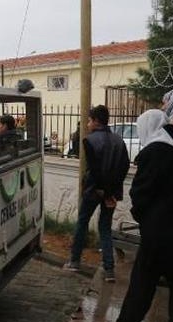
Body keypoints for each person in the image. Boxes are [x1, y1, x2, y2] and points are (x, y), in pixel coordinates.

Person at [95, 110, 173, 322]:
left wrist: (145, 220)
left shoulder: (155, 151)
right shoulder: (171, 146)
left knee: (142, 283)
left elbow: (141, 194)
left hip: (159, 233)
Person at [64, 105, 130, 283]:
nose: (87, 123)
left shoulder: (90, 140)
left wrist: (102, 190)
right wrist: (112, 192)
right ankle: (109, 269)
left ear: (95, 121)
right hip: (112, 192)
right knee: (105, 227)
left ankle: (74, 261)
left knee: (82, 222)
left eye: (89, 120)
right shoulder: (119, 141)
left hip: (94, 190)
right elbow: (124, 167)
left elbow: (95, 169)